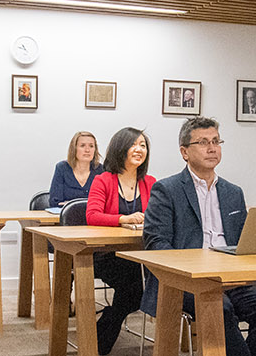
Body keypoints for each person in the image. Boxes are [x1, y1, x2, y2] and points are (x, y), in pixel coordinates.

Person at [143, 117, 256, 356]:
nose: (212, 148)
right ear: (184, 152)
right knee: (219, 308)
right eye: (203, 142)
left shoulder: (233, 192)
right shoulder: (167, 189)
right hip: (186, 279)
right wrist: (189, 268)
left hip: (232, 275)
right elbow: (157, 243)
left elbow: (244, 240)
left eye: (216, 141)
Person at [82, 127, 153, 354]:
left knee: (141, 287)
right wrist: (123, 219)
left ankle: (104, 328)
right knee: (135, 290)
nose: (139, 149)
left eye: (143, 145)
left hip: (140, 254)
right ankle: (101, 340)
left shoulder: (150, 182)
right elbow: (92, 216)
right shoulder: (104, 180)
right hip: (106, 255)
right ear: (121, 148)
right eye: (134, 144)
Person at [48, 131, 105, 209]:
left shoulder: (100, 170)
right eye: (82, 146)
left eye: (91, 146)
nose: (87, 150)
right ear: (74, 149)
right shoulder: (62, 168)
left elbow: (105, 201)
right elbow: (55, 202)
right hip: (67, 218)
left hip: (94, 217)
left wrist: (70, 203)